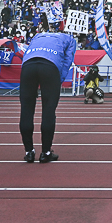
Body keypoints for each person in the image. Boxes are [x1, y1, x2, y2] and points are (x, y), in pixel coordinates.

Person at [19, 30, 77, 163]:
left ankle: (29, 152)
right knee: (49, 111)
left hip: (28, 65)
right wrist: (58, 81)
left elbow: (27, 51)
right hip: (50, 66)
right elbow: (67, 60)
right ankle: (45, 152)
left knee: (26, 110)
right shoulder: (69, 38)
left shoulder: (37, 35)